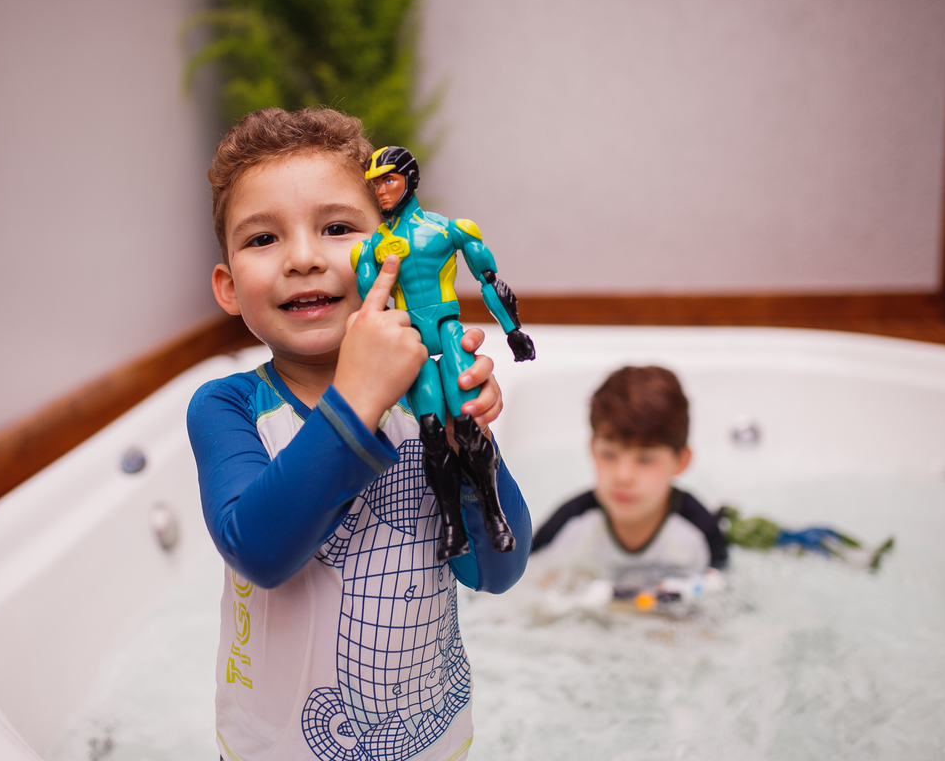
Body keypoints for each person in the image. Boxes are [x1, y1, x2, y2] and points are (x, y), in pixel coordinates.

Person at [186, 107, 531, 761]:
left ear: (390, 249)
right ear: (229, 288)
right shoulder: (228, 406)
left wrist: (468, 445)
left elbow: (497, 571)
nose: (305, 258)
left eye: (337, 228)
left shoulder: (424, 401)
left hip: (433, 745)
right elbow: (258, 551)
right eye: (264, 239)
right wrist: (357, 398)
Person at [355, 146, 535, 561]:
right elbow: (372, 313)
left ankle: (494, 514)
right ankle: (451, 524)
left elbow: (489, 279)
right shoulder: (370, 250)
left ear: (409, 179)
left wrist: (514, 332)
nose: (381, 191)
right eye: (375, 183)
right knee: (433, 433)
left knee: (468, 425)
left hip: (448, 330)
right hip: (412, 341)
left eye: (388, 179)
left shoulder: (449, 230)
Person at [531, 366, 726, 594]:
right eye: (609, 454)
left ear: (681, 462)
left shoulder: (699, 534)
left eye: (645, 459)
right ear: (593, 450)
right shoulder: (569, 525)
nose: (623, 477)